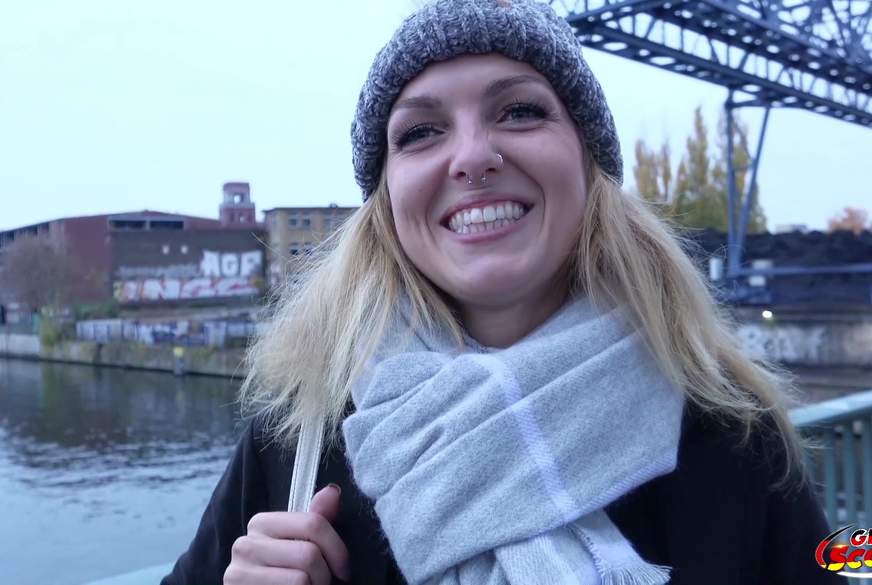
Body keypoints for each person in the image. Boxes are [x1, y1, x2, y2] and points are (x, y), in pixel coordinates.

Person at [161, 1, 846, 583]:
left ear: (589, 164)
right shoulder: (302, 430)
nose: (471, 157)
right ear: (386, 200)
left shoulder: (732, 427)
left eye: (519, 111)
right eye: (420, 132)